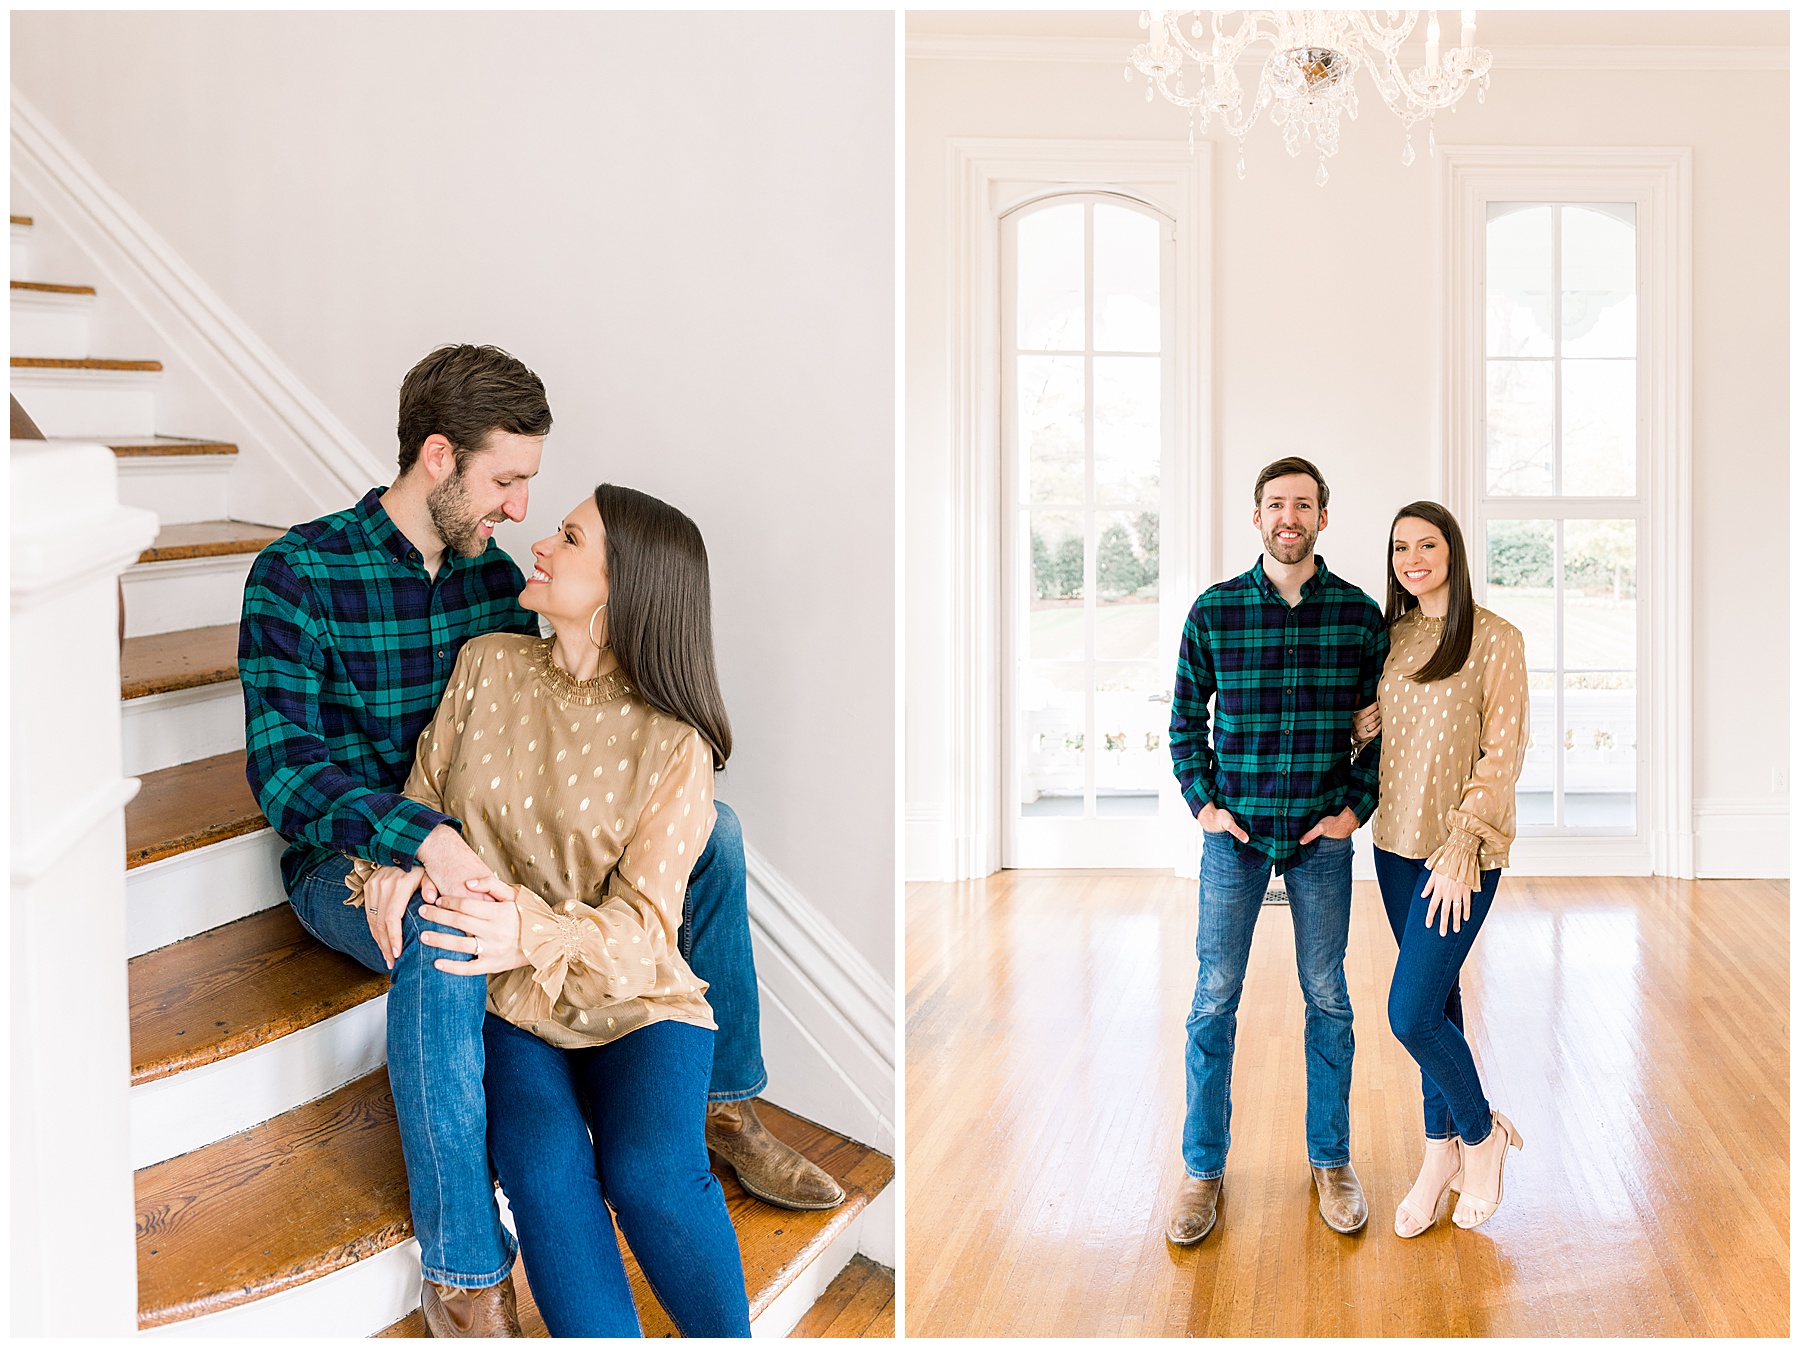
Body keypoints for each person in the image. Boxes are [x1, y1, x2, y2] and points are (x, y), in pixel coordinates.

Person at [238, 345, 837, 1338]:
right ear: (439, 457)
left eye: (535, 493)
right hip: (351, 854)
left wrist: (491, 866)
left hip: (475, 849)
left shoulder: (494, 586)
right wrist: (412, 844)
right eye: (507, 481)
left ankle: (724, 1100)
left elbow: (554, 727)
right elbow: (286, 774)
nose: (521, 512)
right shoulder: (298, 575)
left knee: (716, 835)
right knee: (443, 925)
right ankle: (467, 1273)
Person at [355, 485, 752, 1336]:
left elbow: (647, 931)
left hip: (633, 997)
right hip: (509, 1001)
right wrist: (395, 861)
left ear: (622, 586)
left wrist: (529, 929)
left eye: (570, 538)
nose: (540, 543)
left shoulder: (674, 741)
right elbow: (422, 802)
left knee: (653, 1175)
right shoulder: (487, 665)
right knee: (542, 1169)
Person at [1164, 456, 1388, 1247]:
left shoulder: (1359, 617)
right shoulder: (1215, 611)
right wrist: (1205, 805)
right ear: (1256, 517)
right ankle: (1202, 1170)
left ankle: (1331, 1160)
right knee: (1213, 998)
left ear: (1322, 517)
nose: (1288, 517)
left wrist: (1354, 809)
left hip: (1321, 836)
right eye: (1275, 505)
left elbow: (1380, 729)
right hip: (1236, 838)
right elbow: (1184, 721)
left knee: (1328, 997)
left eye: (1302, 505)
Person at [1350, 501, 1527, 1237]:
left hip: (1460, 855)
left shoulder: (1496, 638)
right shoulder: (1392, 638)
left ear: (1452, 551)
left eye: (1427, 545)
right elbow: (1397, 734)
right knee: (1439, 1004)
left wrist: (1462, 849)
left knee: (1410, 1014)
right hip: (1394, 846)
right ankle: (1438, 1155)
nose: (1412, 559)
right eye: (1400, 548)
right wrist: (1362, 727)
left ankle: (1481, 1139)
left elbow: (1502, 753)